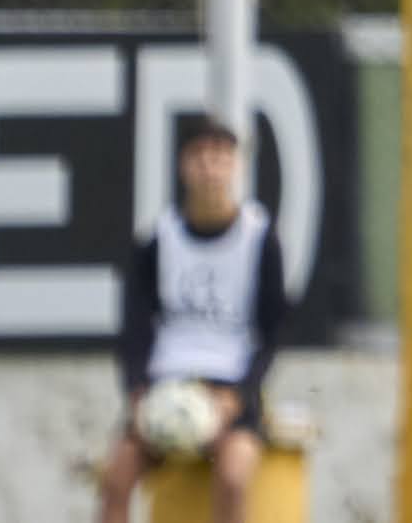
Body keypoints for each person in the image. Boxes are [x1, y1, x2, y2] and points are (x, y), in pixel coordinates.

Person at [93, 114, 277, 523]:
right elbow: (135, 326)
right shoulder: (159, 238)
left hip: (229, 387)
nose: (211, 168)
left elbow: (272, 330)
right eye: (201, 157)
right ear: (184, 165)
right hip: (167, 385)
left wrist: (239, 395)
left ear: (235, 166)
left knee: (233, 478)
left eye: (221, 157)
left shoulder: (259, 237)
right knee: (115, 477)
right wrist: (137, 390)